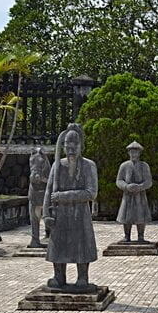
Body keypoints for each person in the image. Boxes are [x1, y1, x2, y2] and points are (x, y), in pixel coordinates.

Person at [42, 124, 99, 291]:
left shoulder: (89, 166)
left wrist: (64, 197)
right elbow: (48, 191)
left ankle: (83, 277)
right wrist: (46, 215)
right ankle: (59, 276)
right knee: (58, 245)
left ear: (81, 145)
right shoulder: (57, 165)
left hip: (80, 214)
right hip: (60, 215)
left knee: (82, 245)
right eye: (68, 145)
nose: (71, 149)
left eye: (75, 145)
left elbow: (91, 193)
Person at [115, 140, 153, 242]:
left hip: (140, 195)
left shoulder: (144, 166)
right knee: (126, 216)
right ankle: (126, 236)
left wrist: (140, 187)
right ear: (128, 153)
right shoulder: (124, 166)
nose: (133, 154)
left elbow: (149, 181)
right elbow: (119, 180)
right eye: (131, 152)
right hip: (127, 195)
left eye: (136, 152)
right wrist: (126, 186)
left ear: (139, 153)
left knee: (140, 215)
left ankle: (141, 236)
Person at [27, 147, 51, 248]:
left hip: (46, 191)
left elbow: (50, 181)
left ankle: (50, 234)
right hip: (34, 194)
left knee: (49, 212)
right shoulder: (33, 161)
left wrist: (43, 179)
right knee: (34, 215)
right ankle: (35, 238)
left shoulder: (49, 168)